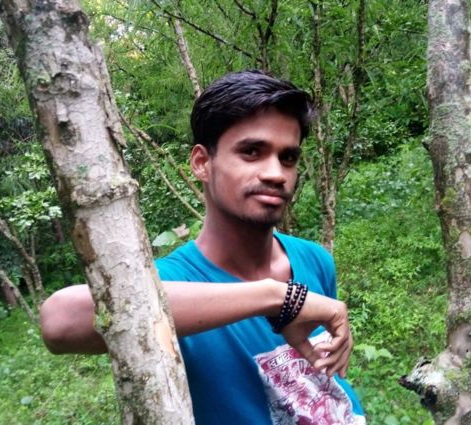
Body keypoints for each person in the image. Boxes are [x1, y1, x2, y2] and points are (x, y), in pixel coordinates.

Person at [40, 70, 365, 424]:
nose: (276, 173)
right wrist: (277, 297)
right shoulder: (170, 283)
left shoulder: (314, 260)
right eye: (251, 152)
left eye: (287, 158)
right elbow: (59, 321)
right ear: (201, 163)